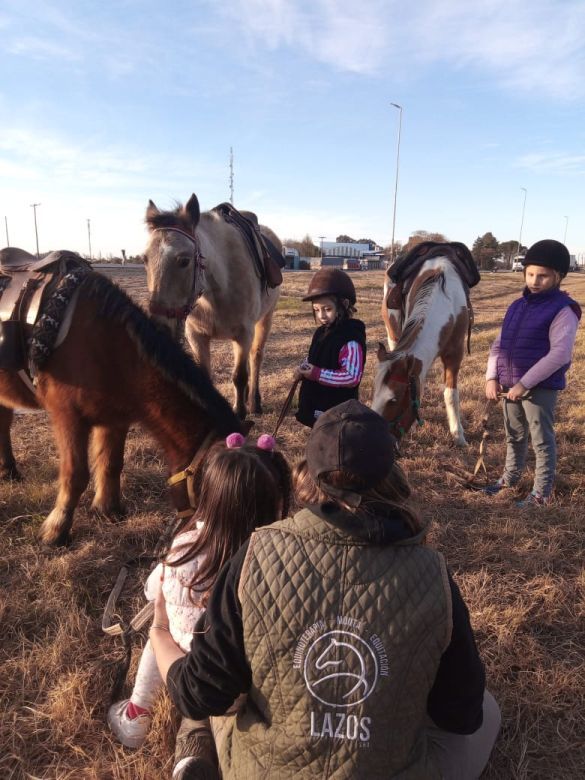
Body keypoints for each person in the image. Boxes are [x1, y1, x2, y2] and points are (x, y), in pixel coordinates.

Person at [151, 400, 501, 779]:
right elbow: (462, 716)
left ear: (309, 472)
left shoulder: (253, 553)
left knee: (224, 705)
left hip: (266, 770)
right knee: (489, 709)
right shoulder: (433, 573)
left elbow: (200, 693)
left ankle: (196, 756)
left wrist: (158, 634)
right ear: (390, 470)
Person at [107, 434, 291, 779]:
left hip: (190, 673)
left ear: (208, 496)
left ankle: (138, 712)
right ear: (276, 502)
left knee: (159, 634)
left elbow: (153, 591)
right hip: (249, 684)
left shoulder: (184, 546)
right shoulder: (278, 559)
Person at [484, 239, 581, 506]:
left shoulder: (563, 309)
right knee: (513, 434)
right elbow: (499, 343)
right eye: (530, 274)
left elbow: (560, 354)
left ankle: (541, 493)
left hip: (539, 387)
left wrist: (525, 383)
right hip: (509, 384)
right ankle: (509, 478)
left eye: (543, 275)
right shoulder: (517, 305)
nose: (535, 280)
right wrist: (491, 376)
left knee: (541, 439)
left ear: (559, 276)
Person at [295, 268, 366, 428]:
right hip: (317, 404)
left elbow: (351, 377)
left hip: (338, 410)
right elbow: (317, 356)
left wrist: (316, 373)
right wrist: (304, 367)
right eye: (316, 310)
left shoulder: (350, 340)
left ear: (344, 305)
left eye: (327, 309)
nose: (321, 316)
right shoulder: (321, 332)